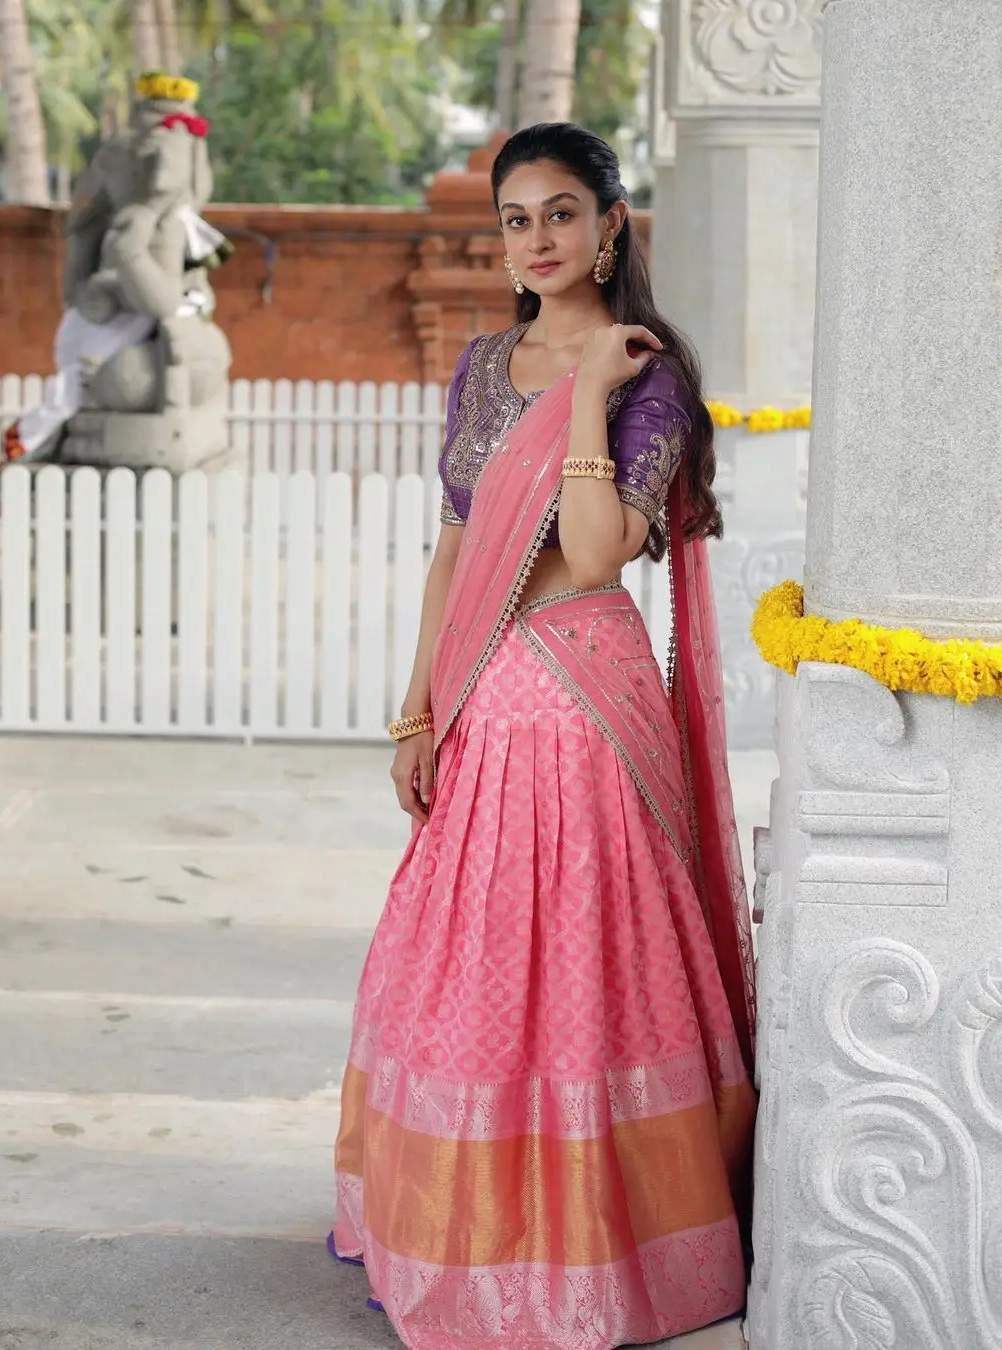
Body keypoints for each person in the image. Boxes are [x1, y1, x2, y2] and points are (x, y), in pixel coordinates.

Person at [328, 123, 757, 1350]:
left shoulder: (642, 365)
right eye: (517, 220)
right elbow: (460, 546)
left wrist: (587, 394)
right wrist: (417, 708)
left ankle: (591, 1245)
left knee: (581, 961)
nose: (538, 239)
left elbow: (599, 545)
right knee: (471, 962)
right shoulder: (477, 367)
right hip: (483, 694)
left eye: (562, 212)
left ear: (613, 223)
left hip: (581, 701)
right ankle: (464, 1229)